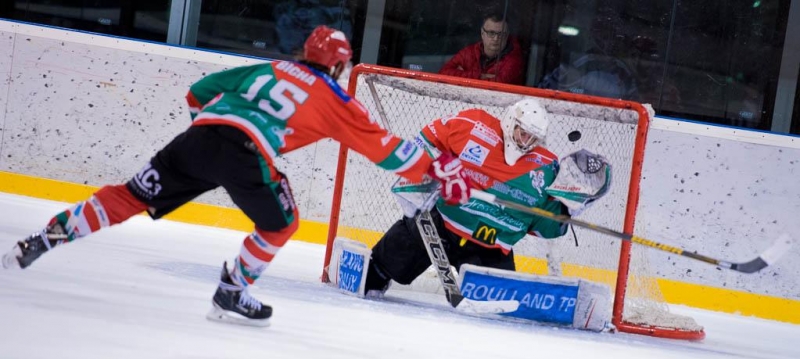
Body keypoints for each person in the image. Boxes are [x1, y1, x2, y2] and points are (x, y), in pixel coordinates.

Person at [2, 26, 471, 326]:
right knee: (281, 223)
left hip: (198, 139)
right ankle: (232, 290)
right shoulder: (333, 97)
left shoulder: (269, 67)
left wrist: (207, 146)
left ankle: (45, 238)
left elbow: (197, 92)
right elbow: (385, 150)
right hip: (246, 154)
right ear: (340, 65)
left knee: (128, 196)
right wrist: (435, 169)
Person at [364, 98, 611, 295]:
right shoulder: (471, 125)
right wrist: (428, 176)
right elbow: (425, 141)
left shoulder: (546, 168)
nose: (526, 141)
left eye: (533, 137)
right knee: (373, 275)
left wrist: (570, 209)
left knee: (498, 313)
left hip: (489, 251)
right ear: (510, 122)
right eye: (522, 132)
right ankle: (374, 275)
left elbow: (545, 226)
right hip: (437, 226)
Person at [438, 10, 525, 85]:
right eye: (491, 33)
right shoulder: (469, 53)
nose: (496, 38)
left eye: (501, 34)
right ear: (482, 33)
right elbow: (442, 74)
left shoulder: (514, 60)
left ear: (507, 35)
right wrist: (480, 76)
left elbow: (496, 85)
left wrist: (463, 74)